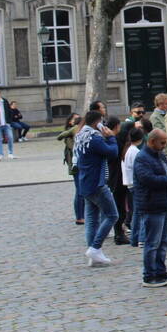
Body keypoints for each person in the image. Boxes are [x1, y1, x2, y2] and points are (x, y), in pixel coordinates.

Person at [133, 129, 167, 287]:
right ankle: (149, 275)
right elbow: (147, 179)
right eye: (162, 142)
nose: (164, 145)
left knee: (163, 242)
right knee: (152, 243)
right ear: (152, 141)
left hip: (163, 203)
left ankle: (160, 271)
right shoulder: (142, 157)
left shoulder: (159, 155)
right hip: (151, 205)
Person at [74, 109, 119, 266]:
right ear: (97, 122)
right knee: (112, 215)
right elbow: (112, 153)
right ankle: (95, 248)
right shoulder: (94, 138)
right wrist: (111, 137)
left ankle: (94, 255)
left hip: (85, 182)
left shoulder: (80, 135)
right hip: (97, 183)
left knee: (92, 220)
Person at [103, 116, 130, 245]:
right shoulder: (114, 139)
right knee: (119, 205)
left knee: (119, 204)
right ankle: (119, 234)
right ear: (117, 126)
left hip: (114, 175)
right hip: (117, 176)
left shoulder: (108, 139)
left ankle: (119, 232)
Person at [58, 113, 83, 224]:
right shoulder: (69, 134)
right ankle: (79, 216)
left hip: (80, 165)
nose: (78, 120)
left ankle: (83, 214)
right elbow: (74, 148)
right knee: (79, 191)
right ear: (70, 122)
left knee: (83, 190)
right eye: (75, 119)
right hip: (75, 166)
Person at [122, 126, 145, 246]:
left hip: (130, 183)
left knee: (136, 211)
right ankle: (140, 237)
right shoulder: (135, 151)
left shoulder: (128, 149)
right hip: (135, 184)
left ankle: (135, 237)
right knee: (139, 212)